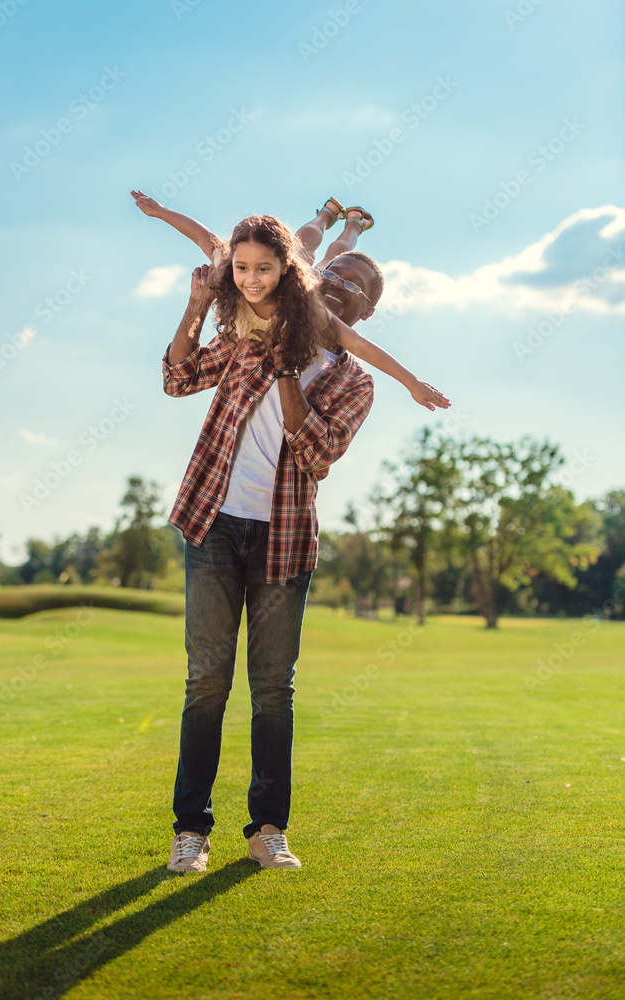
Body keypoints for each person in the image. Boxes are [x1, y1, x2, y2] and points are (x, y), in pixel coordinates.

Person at [162, 213, 380, 872]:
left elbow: (313, 455)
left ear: (360, 315)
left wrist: (290, 373)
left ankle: (267, 830)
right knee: (205, 683)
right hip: (214, 524)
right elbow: (176, 379)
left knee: (272, 691)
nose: (335, 287)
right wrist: (196, 306)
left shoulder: (354, 381)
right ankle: (191, 832)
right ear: (306, 276)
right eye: (331, 274)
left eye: (351, 288)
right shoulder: (249, 336)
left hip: (282, 540)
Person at [131, 190, 451, 412]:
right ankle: (328, 214)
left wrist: (411, 382)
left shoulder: (300, 297)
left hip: (300, 288)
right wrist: (159, 212)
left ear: (282, 269)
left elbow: (359, 344)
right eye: (244, 269)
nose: (252, 280)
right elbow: (203, 236)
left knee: (324, 254)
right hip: (290, 279)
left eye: (262, 270)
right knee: (314, 251)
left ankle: (351, 223)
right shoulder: (233, 269)